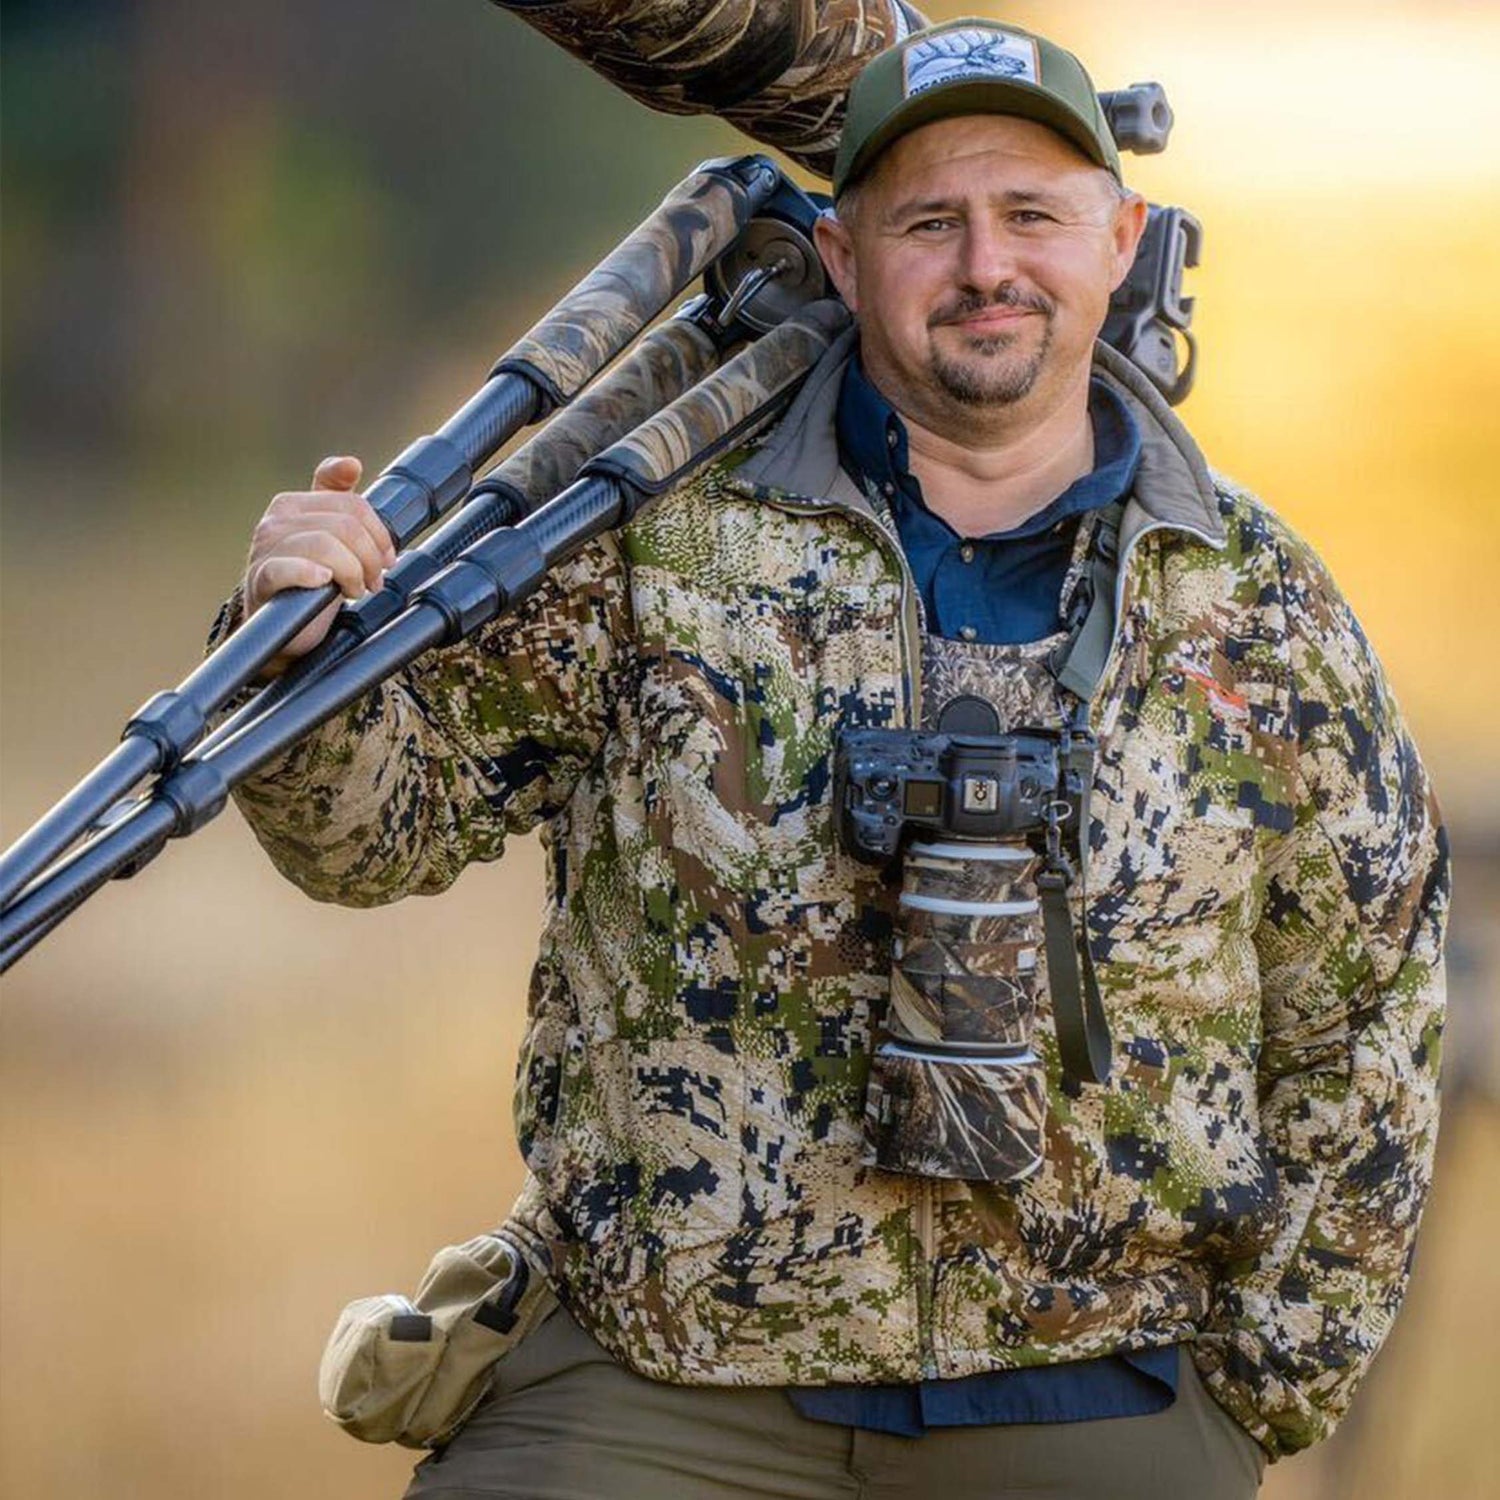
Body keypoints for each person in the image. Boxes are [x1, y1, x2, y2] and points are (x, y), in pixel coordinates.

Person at [216, 17, 1449, 1500]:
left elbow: (1365, 1020)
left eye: (1032, 217)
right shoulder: (646, 539)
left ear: (1119, 242)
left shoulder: (1261, 607)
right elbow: (375, 837)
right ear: (850, 257)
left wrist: (1248, 1403)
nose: (987, 265)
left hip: (1097, 1383)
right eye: (932, 223)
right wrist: (298, 654)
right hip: (671, 1379)